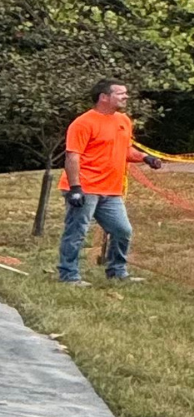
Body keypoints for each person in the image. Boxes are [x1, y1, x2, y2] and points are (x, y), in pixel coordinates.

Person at [57, 81, 161, 284]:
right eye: (120, 93)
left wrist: (145, 157)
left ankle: (117, 271)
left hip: (111, 190)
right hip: (85, 188)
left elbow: (125, 150)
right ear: (104, 97)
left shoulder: (123, 120)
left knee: (123, 230)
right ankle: (68, 275)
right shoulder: (83, 123)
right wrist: (75, 188)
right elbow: (72, 157)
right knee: (77, 232)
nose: (126, 97)